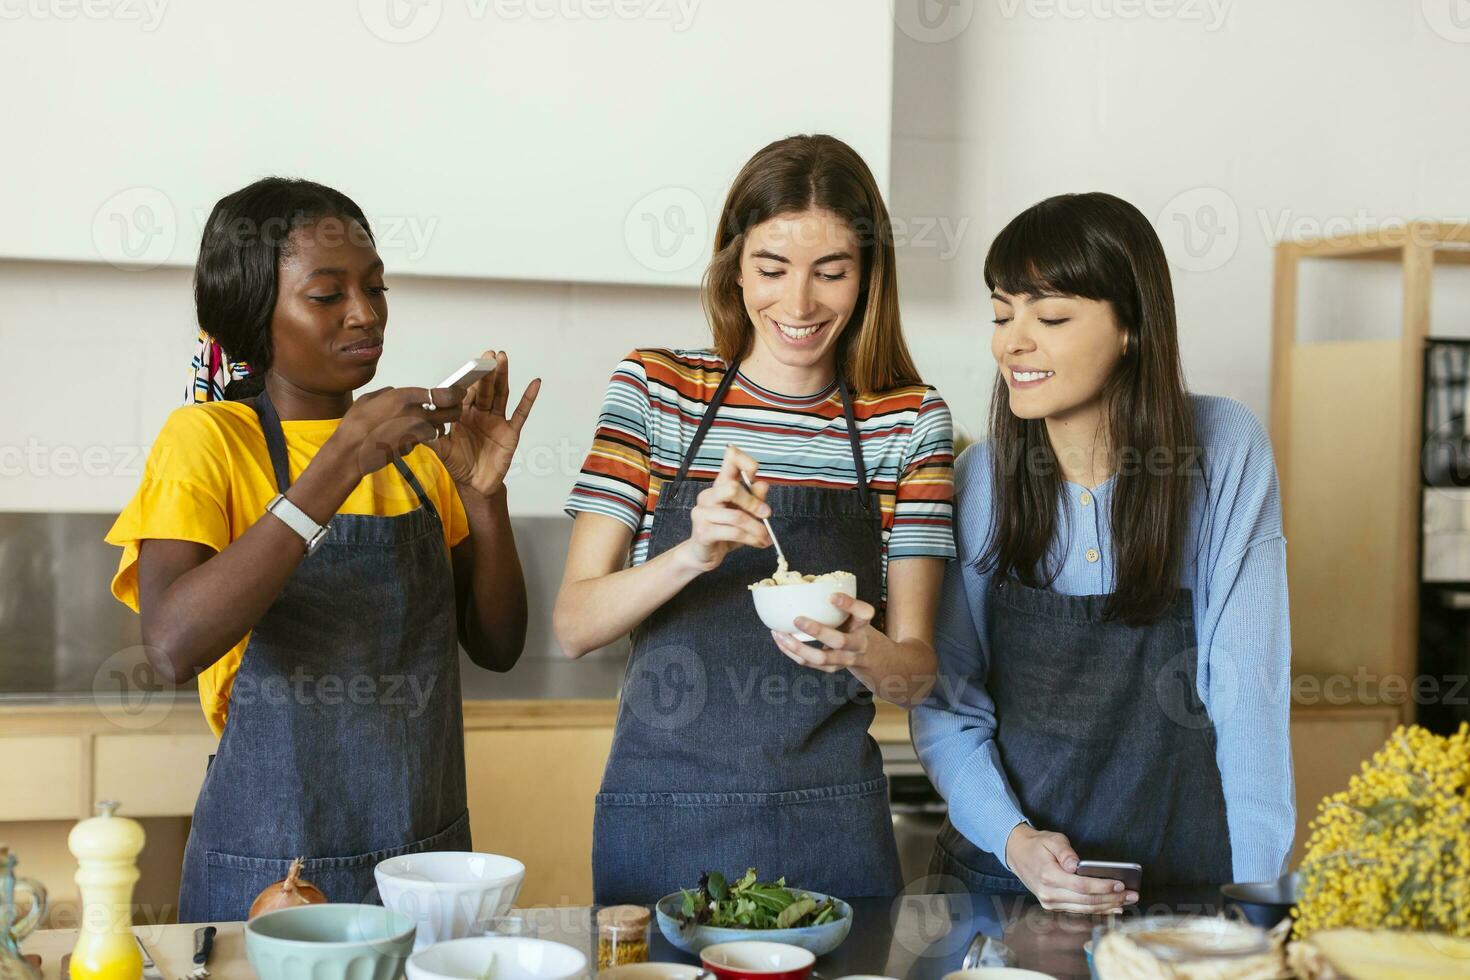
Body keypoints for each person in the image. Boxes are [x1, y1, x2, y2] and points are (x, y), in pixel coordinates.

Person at [104, 177, 541, 921]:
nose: (365, 314)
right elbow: (172, 646)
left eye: (374, 288)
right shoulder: (208, 440)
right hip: (273, 874)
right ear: (255, 316)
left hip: (425, 866)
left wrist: (485, 495)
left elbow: (498, 645)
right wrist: (341, 459)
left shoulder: (418, 456)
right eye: (327, 295)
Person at [556, 135, 956, 904]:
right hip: (662, 815)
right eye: (772, 269)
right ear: (734, 266)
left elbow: (917, 675)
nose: (798, 304)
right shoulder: (657, 389)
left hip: (832, 821)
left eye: (830, 272)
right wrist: (692, 553)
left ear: (869, 276)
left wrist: (860, 649)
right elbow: (573, 626)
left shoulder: (907, 422)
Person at [912, 192, 1294, 913]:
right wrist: (1015, 840)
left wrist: (1255, 906)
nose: (1011, 342)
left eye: (1050, 316)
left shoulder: (1223, 451)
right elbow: (950, 702)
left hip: (1181, 887)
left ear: (1132, 329)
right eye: (1002, 314)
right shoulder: (981, 481)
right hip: (1006, 886)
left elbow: (1249, 694)